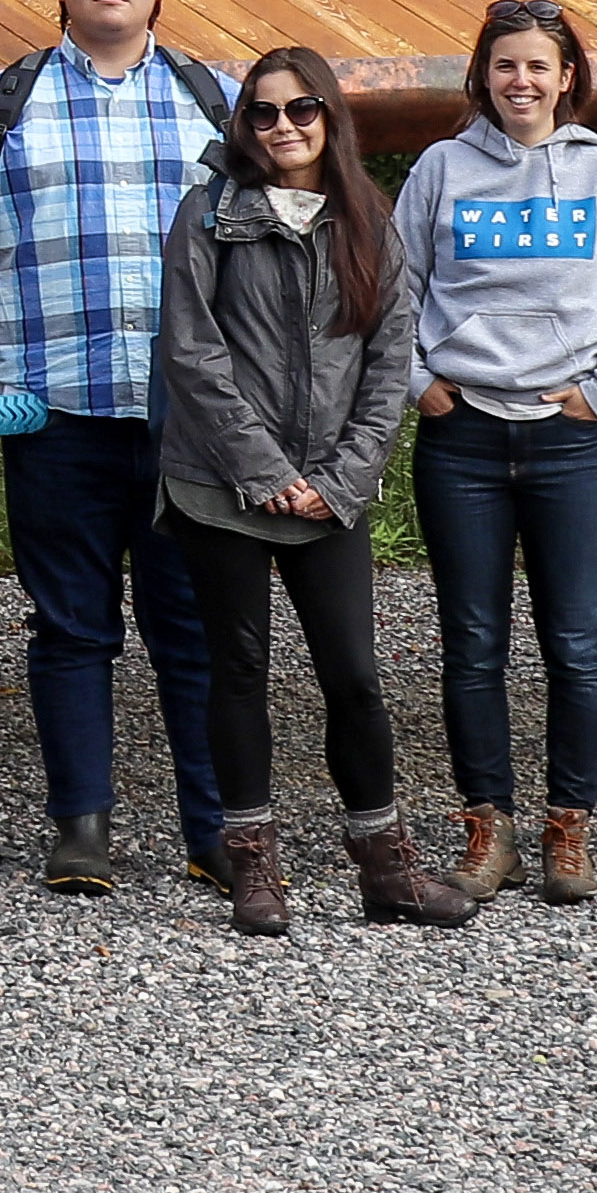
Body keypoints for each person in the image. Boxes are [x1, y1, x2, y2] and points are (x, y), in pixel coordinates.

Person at [0, 0, 243, 896]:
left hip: (193, 417)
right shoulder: (5, 101)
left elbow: (275, 251)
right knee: (70, 626)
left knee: (196, 629)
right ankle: (81, 832)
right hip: (55, 410)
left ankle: (216, 831)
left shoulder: (219, 98)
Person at [143, 47, 452, 933]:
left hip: (331, 494)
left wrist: (342, 478)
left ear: (331, 118)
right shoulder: (206, 215)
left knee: (354, 676)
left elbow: (391, 357)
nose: (284, 127)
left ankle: (387, 870)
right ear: (245, 124)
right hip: (220, 488)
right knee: (237, 672)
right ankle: (253, 869)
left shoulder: (371, 220)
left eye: (303, 109)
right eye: (266, 112)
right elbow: (192, 355)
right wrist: (264, 471)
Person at [387, 0, 597, 908]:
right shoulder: (440, 169)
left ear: (567, 78)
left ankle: (568, 827)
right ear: (484, 75)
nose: (522, 80)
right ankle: (487, 825)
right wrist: (417, 381)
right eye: (506, 64)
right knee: (471, 645)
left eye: (538, 65)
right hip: (461, 437)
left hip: (568, 442)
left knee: (577, 646)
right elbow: (392, 292)